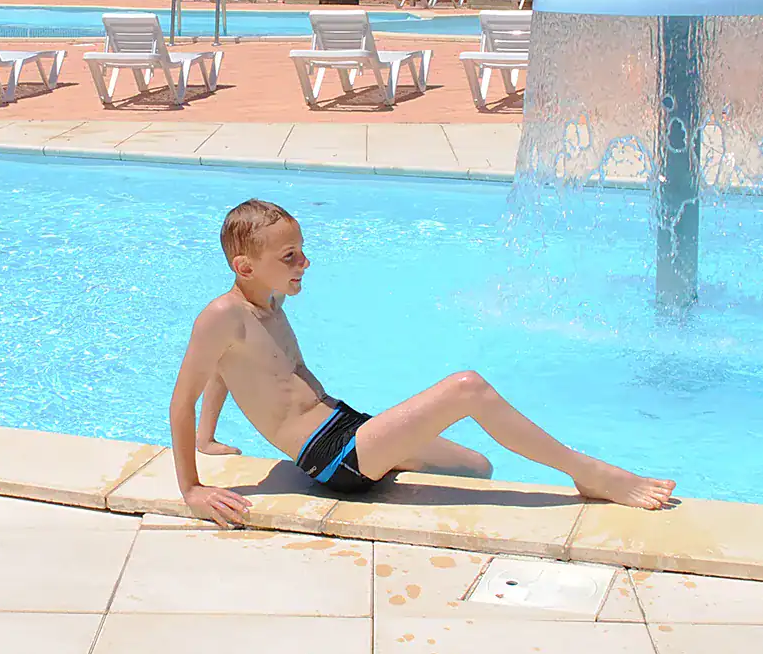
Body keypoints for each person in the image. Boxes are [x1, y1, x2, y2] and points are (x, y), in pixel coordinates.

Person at [170, 199, 675, 526]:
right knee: (467, 388)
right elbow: (183, 396)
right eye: (291, 257)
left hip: (348, 428)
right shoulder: (221, 316)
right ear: (245, 266)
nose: (305, 264)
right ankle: (589, 474)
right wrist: (192, 488)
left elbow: (223, 371)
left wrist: (207, 438)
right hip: (331, 459)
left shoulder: (269, 303)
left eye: (302, 251)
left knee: (478, 468)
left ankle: (580, 471)